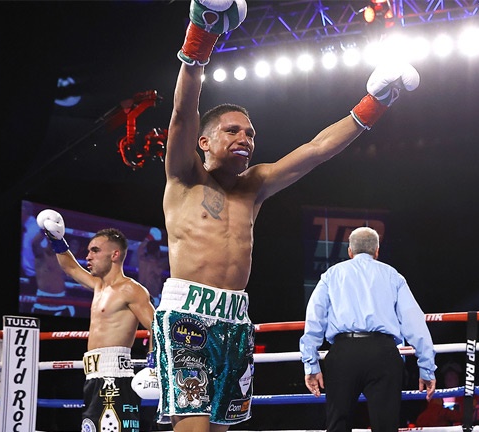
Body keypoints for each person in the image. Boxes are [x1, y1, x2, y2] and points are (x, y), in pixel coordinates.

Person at [152, 1, 421, 431]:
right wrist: (200, 34)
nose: (246, 138)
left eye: (251, 133)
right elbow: (183, 111)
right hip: (187, 316)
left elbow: (316, 150)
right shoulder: (184, 177)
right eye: (233, 130)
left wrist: (374, 103)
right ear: (203, 142)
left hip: (234, 317)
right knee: (194, 427)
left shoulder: (253, 186)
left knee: (221, 426)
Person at [299, 227, 436, 432]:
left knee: (337, 424)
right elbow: (414, 323)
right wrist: (427, 367)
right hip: (383, 353)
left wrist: (311, 364)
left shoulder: (331, 275)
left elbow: (314, 320)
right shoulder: (393, 276)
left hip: (344, 353)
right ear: (377, 251)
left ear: (350, 251)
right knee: (386, 426)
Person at [36, 209, 156, 432]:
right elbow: (70, 266)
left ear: (115, 255)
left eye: (95, 250)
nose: (88, 256)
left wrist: (152, 365)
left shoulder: (131, 290)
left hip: (115, 379)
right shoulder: (99, 286)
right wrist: (56, 238)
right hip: (94, 376)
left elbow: (156, 327)